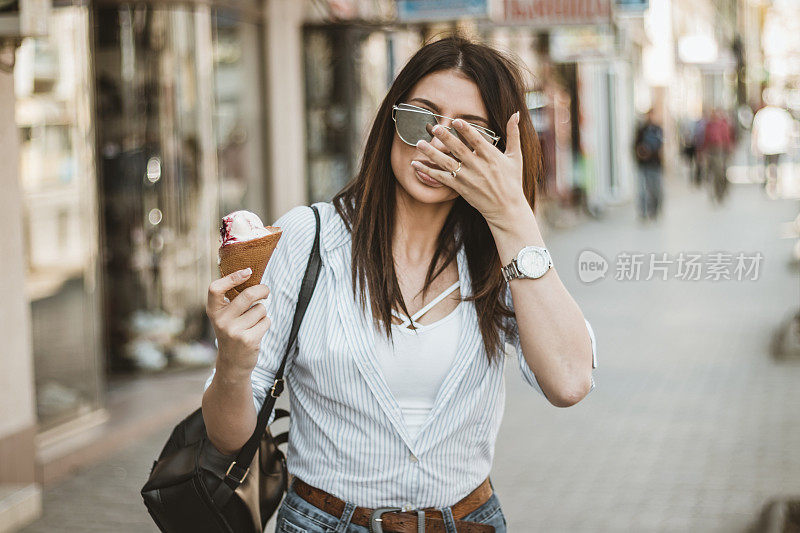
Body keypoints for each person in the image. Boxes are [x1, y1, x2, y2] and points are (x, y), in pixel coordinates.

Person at [201, 34, 598, 533]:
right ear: (390, 120)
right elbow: (227, 439)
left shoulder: (506, 257)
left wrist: (513, 214)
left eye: (469, 136)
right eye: (420, 119)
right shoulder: (309, 238)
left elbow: (569, 382)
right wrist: (233, 366)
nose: (435, 144)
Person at [751, 92, 794, 190]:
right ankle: (772, 180)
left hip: (765, 144)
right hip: (778, 144)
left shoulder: (761, 114)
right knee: (774, 163)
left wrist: (754, 145)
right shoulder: (783, 114)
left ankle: (770, 179)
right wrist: (789, 143)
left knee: (768, 163)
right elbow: (789, 131)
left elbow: (755, 131)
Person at [633, 109, 664, 222]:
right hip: (643, 164)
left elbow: (661, 147)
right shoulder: (641, 130)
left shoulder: (658, 130)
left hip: (655, 164)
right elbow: (635, 146)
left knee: (656, 190)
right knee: (642, 190)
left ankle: (655, 211)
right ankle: (643, 212)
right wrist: (640, 154)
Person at [699, 109, 735, 203]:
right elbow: (705, 139)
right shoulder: (709, 126)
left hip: (721, 150)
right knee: (711, 172)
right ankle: (715, 191)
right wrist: (702, 151)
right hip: (711, 150)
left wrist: (728, 150)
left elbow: (727, 138)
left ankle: (722, 190)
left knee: (721, 172)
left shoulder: (723, 125)